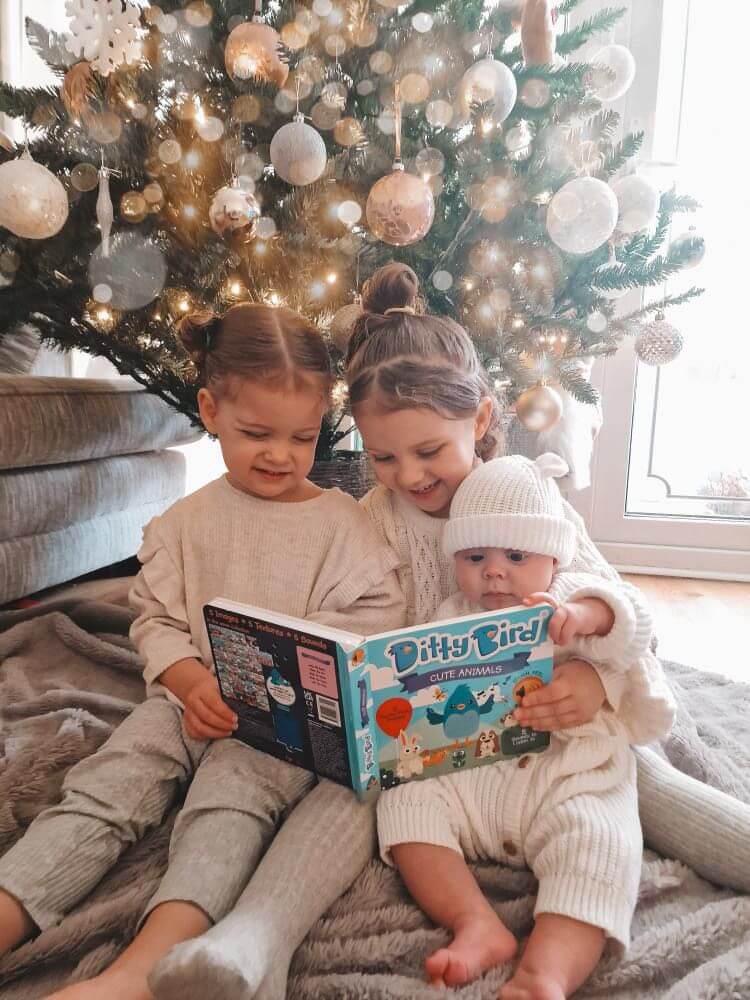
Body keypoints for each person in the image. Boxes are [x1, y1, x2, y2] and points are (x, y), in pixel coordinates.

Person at [0, 303, 404, 1000]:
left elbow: (372, 621)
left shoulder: (344, 527)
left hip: (277, 728)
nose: (279, 455)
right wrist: (187, 681)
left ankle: (146, 967)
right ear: (211, 410)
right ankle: (10, 908)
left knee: (229, 801)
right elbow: (154, 620)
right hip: (184, 701)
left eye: (302, 438)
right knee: (110, 781)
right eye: (255, 434)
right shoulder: (184, 524)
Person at [378, 453, 650, 999]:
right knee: (402, 804)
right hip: (472, 779)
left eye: (517, 555)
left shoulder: (569, 600)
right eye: (475, 555)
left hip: (562, 778)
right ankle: (475, 922)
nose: (494, 571)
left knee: (599, 840)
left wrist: (586, 616)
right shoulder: (450, 614)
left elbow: (630, 620)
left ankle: (545, 973)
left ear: (552, 557)